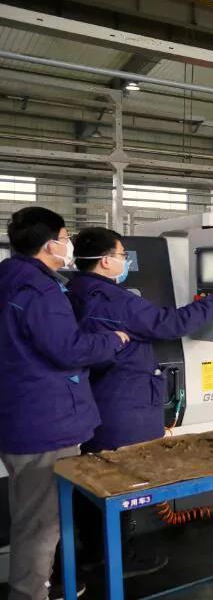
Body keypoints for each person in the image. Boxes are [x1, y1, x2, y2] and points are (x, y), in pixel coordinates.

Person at [66, 227, 213, 577]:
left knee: (95, 479)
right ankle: (116, 560)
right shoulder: (115, 300)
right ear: (105, 261)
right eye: (121, 255)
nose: (124, 261)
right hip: (123, 402)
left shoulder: (72, 292)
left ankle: (93, 552)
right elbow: (170, 324)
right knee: (118, 484)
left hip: (92, 399)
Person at [0, 208, 129, 600]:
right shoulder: (40, 291)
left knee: (30, 513)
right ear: (48, 244)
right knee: (42, 524)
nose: (67, 243)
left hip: (18, 414)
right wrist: (113, 340)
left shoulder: (9, 277)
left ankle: (41, 585)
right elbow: (68, 350)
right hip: (45, 422)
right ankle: (29, 593)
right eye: (64, 236)